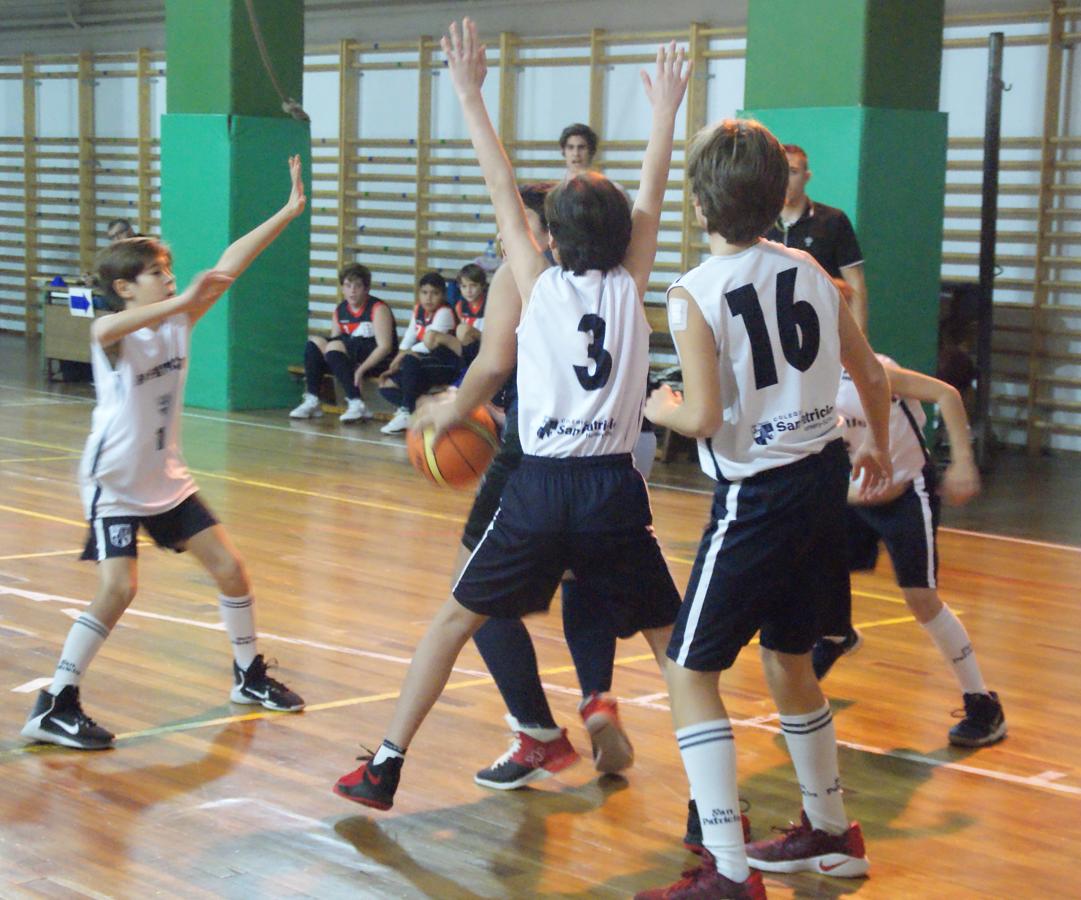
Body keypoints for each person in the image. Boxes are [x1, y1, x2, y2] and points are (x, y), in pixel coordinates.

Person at [332, 18, 689, 812]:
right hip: (612, 489)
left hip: (540, 485)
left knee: (454, 618)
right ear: (625, 236)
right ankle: (710, 808)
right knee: (675, 651)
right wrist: (665, 115)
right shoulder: (633, 284)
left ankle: (386, 765)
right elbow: (655, 188)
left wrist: (467, 90)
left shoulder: (535, 283)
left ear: (547, 238)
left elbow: (499, 184)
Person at [638, 119, 893, 899]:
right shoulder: (814, 269)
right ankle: (829, 830)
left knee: (688, 671)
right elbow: (872, 375)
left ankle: (725, 869)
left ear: (697, 203)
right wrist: (875, 446)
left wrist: (661, 406)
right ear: (773, 198)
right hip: (823, 479)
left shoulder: (692, 293)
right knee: (787, 661)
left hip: (757, 498)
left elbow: (705, 418)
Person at [21, 157, 308, 751]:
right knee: (119, 588)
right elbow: (108, 331)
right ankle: (56, 702)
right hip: (115, 482)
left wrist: (287, 210)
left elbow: (231, 263)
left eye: (169, 269)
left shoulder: (177, 324)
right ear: (126, 287)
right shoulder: (111, 332)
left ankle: (248, 676)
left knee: (231, 568)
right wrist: (185, 302)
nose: (170, 278)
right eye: (156, 272)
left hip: (166, 478)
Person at [415, 183, 653, 789]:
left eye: (516, 223)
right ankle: (596, 695)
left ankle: (536, 732)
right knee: (585, 575)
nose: (506, 233)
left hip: (536, 454)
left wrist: (453, 410)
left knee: (475, 592)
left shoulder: (523, 278)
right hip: (614, 450)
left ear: (544, 230)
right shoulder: (619, 277)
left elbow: (493, 360)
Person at [811, 356, 1007, 747]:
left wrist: (963, 462)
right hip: (851, 494)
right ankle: (837, 635)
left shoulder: (873, 372)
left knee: (921, 598)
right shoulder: (800, 379)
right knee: (814, 576)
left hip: (903, 495)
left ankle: (983, 704)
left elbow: (946, 394)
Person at [765, 144, 869, 333]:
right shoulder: (760, 222)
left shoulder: (833, 220)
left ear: (806, 177)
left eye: (793, 172)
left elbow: (856, 285)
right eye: (779, 172)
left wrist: (860, 340)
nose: (785, 180)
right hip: (772, 330)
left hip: (821, 328)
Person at [289, 263, 398, 423]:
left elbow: (385, 347)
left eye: (358, 286)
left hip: (378, 361)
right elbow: (334, 345)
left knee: (334, 347)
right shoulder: (340, 310)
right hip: (351, 359)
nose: (352, 291)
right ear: (342, 288)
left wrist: (361, 369)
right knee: (315, 343)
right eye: (348, 285)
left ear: (366, 288)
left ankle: (356, 402)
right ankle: (313, 399)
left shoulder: (377, 308)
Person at [378, 271, 462, 434]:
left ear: (443, 295)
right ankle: (416, 408)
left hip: (444, 364)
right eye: (424, 293)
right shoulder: (418, 310)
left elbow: (427, 345)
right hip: (423, 364)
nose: (428, 298)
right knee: (385, 385)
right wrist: (394, 364)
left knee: (410, 359)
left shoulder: (444, 312)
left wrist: (402, 357)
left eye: (434, 293)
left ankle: (406, 411)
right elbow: (409, 339)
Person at [453, 262, 488, 371]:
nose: (468, 291)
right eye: (464, 286)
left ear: (482, 286)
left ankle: (466, 372)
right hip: (468, 346)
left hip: (487, 344)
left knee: (463, 329)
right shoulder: (459, 306)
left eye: (473, 285)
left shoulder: (491, 302)